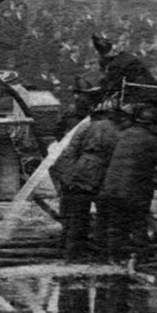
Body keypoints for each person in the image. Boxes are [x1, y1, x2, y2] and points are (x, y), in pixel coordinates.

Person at [97, 107, 157, 269]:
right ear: (152, 125)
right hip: (134, 191)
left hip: (111, 188)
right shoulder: (152, 141)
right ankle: (142, 258)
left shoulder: (122, 135)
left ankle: (113, 258)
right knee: (138, 224)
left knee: (115, 224)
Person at [52, 101, 117, 259]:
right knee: (103, 213)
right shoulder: (116, 129)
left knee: (75, 214)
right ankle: (99, 249)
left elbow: (70, 151)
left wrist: (67, 177)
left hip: (77, 172)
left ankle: (69, 249)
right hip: (99, 174)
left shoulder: (85, 126)